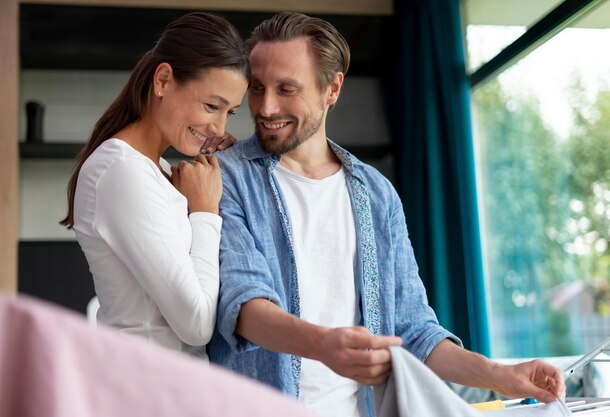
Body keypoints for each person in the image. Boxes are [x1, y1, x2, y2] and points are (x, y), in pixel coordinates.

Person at [207, 11, 565, 417]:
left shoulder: (376, 193)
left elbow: (413, 330)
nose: (266, 107)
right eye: (257, 88)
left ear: (332, 88)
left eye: (287, 89)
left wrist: (499, 375)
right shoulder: (225, 175)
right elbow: (243, 305)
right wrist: (324, 345)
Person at [60, 12, 249, 360]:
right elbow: (196, 323)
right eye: (211, 106)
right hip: (145, 388)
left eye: (230, 113)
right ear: (163, 80)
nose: (219, 127)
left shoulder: (155, 169)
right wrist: (205, 212)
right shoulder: (122, 171)